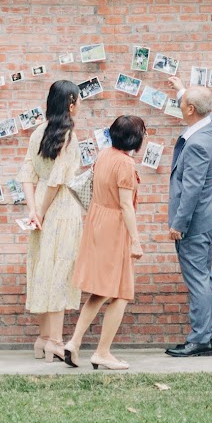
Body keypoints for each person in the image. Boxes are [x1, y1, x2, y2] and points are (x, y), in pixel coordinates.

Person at [64, 114, 146, 371]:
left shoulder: (104, 155)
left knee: (100, 291)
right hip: (114, 228)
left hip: (97, 223)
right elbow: (125, 206)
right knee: (121, 292)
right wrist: (135, 240)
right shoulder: (125, 164)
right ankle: (102, 352)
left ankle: (74, 342)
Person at [20, 79, 86, 360]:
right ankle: (56, 342)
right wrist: (42, 212)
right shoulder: (69, 136)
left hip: (41, 209)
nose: (80, 105)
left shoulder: (38, 132)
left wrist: (33, 210)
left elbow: (27, 173)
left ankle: (43, 338)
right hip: (62, 211)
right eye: (79, 100)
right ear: (71, 103)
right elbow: (58, 181)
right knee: (59, 271)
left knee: (43, 269)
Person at [162, 77, 212, 357]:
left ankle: (200, 339)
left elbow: (191, 189)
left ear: (189, 110)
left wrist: (178, 224)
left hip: (195, 223)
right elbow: (198, 104)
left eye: (182, 103)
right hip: (209, 219)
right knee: (205, 277)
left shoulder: (198, 143)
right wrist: (181, 89)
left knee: (198, 280)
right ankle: (209, 337)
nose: (179, 106)